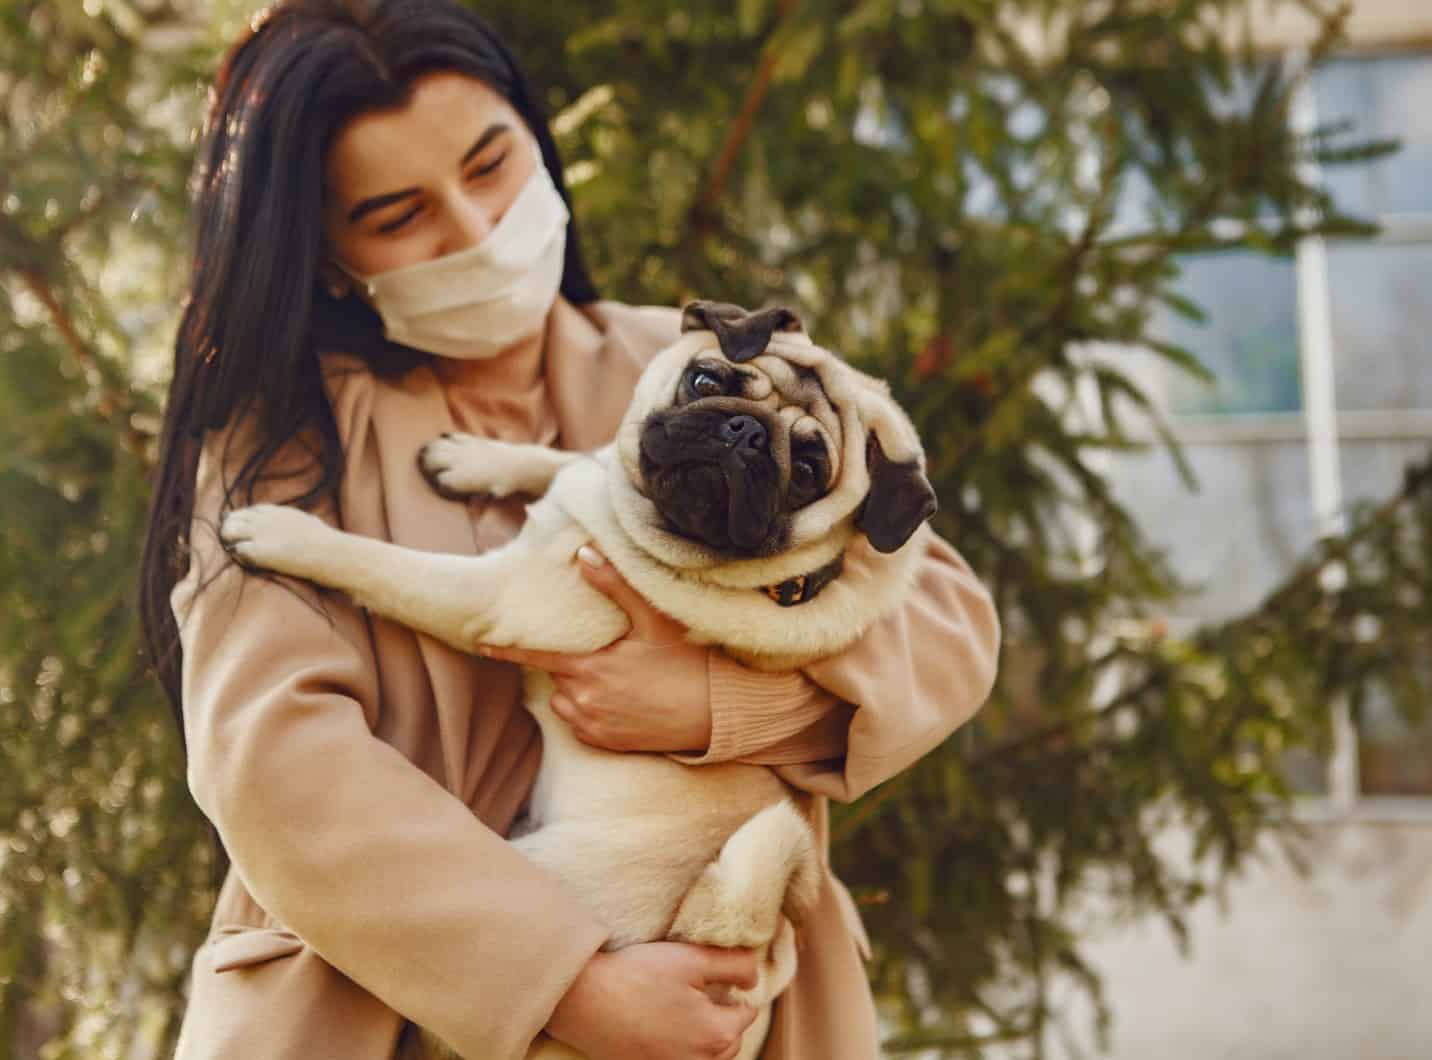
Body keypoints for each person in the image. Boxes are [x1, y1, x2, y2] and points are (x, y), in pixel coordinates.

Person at [137, 1, 1001, 1057]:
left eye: (492, 165)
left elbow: (943, 620)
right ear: (326, 254)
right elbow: (273, 763)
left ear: (540, 151)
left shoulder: (688, 374)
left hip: (718, 1008)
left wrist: (713, 705)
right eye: (400, 214)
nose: (474, 228)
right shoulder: (283, 446)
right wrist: (564, 979)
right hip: (382, 1017)